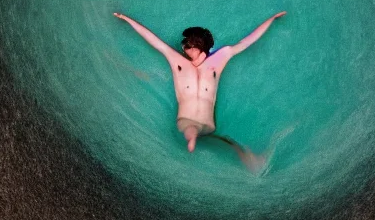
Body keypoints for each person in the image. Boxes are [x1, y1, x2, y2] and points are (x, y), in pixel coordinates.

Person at [113, 11, 287, 173]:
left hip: (207, 125)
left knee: (225, 141)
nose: (183, 49)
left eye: (186, 46)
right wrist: (128, 20)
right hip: (187, 121)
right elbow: (153, 40)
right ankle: (193, 138)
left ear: (195, 47)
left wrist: (270, 20)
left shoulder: (218, 59)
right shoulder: (179, 62)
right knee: (193, 129)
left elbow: (247, 42)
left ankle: (243, 156)